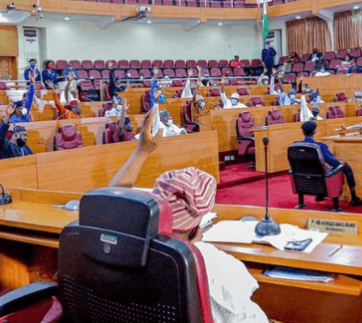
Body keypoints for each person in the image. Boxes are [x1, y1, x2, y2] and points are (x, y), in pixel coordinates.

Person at [108, 109, 269, 323]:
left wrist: (142, 151)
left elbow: (111, 202)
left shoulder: (125, 242)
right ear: (196, 227)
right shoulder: (209, 260)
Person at [299, 121, 362, 206]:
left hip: (304, 177)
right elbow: (334, 163)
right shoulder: (319, 147)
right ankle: (354, 198)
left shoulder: (297, 146)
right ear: (315, 132)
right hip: (321, 176)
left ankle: (320, 194)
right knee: (345, 166)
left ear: (303, 132)